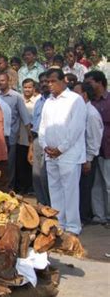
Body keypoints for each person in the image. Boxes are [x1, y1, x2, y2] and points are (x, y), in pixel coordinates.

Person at [39, 68, 86, 235]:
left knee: (70, 190)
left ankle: (73, 226)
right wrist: (45, 145)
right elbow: (42, 127)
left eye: (53, 81)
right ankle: (60, 223)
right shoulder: (48, 102)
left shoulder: (75, 100)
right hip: (51, 153)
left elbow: (76, 128)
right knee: (55, 189)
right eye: (48, 82)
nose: (50, 85)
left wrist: (61, 149)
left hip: (69, 154)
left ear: (63, 81)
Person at [73, 82, 103, 224]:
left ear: (84, 95)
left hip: (87, 157)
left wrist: (88, 159)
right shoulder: (82, 111)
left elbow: (94, 139)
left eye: (77, 93)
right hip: (81, 156)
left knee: (85, 189)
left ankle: (84, 218)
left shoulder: (91, 114)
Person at [0, 73, 32, 190]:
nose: (0, 83)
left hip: (11, 138)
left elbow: (25, 117)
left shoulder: (16, 97)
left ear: (8, 81)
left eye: (2, 80)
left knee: (10, 165)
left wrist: (30, 137)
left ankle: (9, 189)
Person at [84, 71, 110, 225]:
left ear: (100, 83)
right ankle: (99, 215)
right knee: (96, 184)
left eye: (90, 82)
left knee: (108, 184)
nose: (88, 85)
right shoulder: (90, 103)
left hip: (107, 147)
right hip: (94, 150)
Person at [28, 72, 51, 205]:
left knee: (45, 175)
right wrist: (31, 146)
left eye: (46, 81)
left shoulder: (53, 101)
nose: (44, 84)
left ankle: (49, 204)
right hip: (36, 140)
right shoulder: (39, 101)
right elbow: (33, 125)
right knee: (36, 175)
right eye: (41, 82)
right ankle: (41, 204)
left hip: (48, 141)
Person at [16, 78, 39, 193]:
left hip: (33, 138)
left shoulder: (38, 101)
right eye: (25, 87)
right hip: (20, 137)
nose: (27, 90)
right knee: (21, 164)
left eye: (30, 87)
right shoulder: (19, 99)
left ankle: (32, 188)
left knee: (31, 164)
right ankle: (22, 188)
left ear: (34, 88)